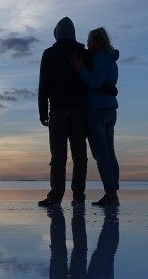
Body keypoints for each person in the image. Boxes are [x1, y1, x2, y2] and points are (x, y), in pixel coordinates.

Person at [37, 17, 88, 207]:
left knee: (59, 156)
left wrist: (43, 111)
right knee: (79, 156)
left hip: (58, 110)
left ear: (57, 33)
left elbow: (43, 84)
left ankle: (56, 195)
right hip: (79, 111)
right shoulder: (83, 52)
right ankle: (78, 196)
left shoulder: (50, 53)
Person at [68, 27, 120, 206]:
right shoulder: (112, 60)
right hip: (111, 111)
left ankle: (111, 193)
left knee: (101, 155)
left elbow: (96, 82)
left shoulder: (100, 58)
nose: (88, 45)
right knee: (110, 153)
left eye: (90, 42)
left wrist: (80, 69)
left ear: (97, 42)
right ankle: (113, 192)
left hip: (98, 111)